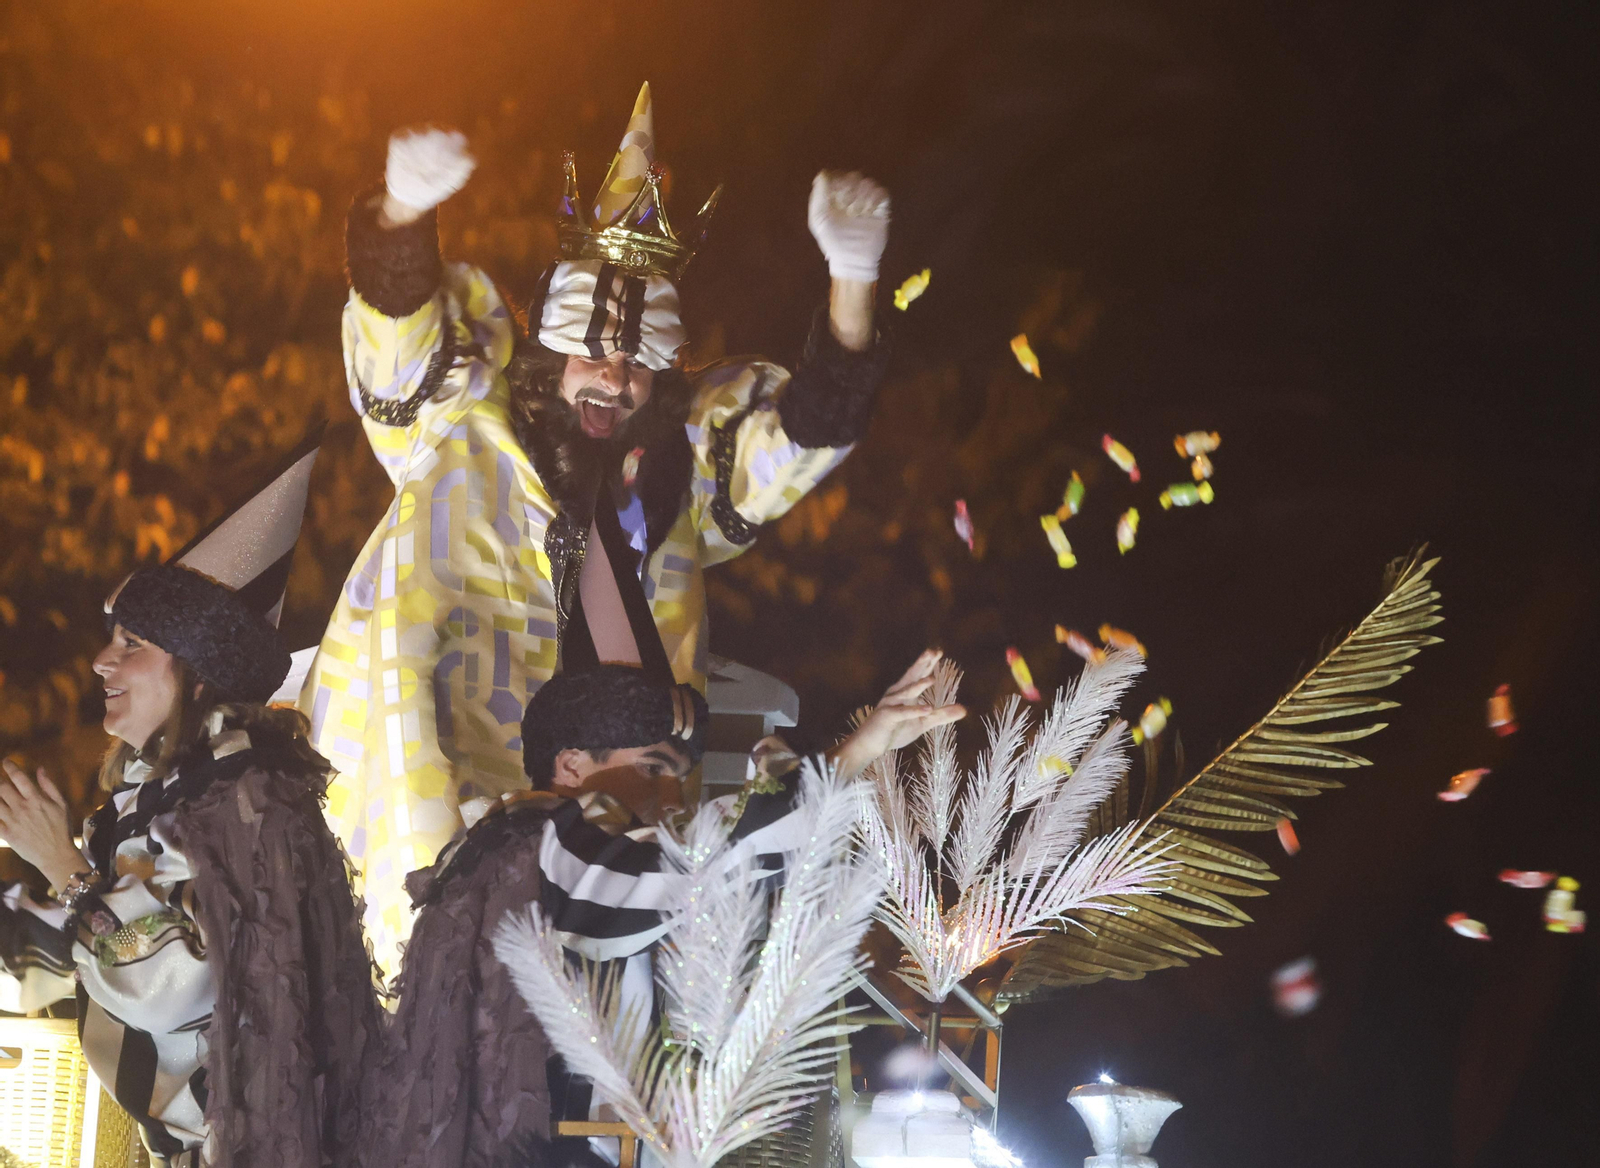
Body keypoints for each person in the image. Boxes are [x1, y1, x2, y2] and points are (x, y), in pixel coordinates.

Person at [299, 82, 896, 968]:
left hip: (619, 818)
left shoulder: (679, 477)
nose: (611, 380)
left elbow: (801, 436)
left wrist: (852, 286)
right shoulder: (460, 421)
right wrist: (399, 212)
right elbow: (396, 338)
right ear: (547, 347)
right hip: (449, 789)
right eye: (590, 352)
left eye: (636, 364)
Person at [359, 653, 960, 1168]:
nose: (671, 793)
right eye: (652, 767)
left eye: (679, 774)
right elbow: (687, 872)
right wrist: (852, 754)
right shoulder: (539, 841)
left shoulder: (537, 846)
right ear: (571, 766)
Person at [0, 443, 379, 1168]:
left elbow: (175, 988)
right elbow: (67, 947)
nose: (100, 662)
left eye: (131, 643)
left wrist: (60, 863)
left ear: (199, 673)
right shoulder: (167, 801)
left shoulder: (245, 804)